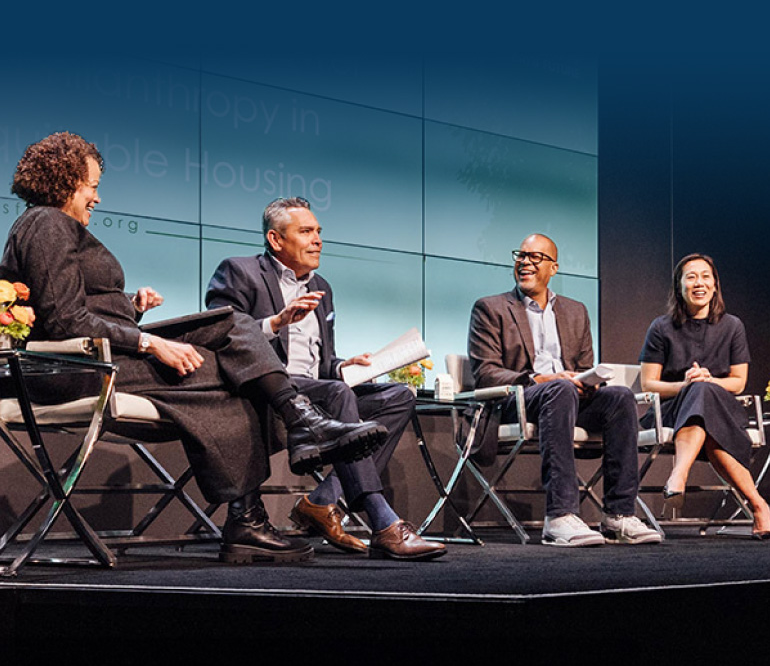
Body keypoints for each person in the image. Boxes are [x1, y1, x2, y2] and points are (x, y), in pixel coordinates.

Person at [0, 132, 388, 565]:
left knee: (232, 324)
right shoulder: (47, 223)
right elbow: (64, 321)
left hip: (102, 358)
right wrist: (150, 342)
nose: (97, 197)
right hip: (72, 371)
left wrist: (129, 308)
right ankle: (252, 510)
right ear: (67, 181)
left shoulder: (49, 227)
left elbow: (72, 305)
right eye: (91, 185)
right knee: (235, 371)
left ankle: (291, 435)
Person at [206, 196, 447, 561]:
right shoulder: (240, 271)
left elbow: (321, 362)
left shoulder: (322, 285)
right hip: (267, 396)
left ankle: (323, 500)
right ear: (275, 240)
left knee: (399, 396)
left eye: (318, 231)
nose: (317, 239)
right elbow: (219, 334)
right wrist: (276, 323)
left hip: (319, 392)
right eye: (306, 231)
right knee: (336, 395)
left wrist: (342, 366)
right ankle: (382, 523)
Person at [468, 232, 662, 546]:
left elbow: (585, 366)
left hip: (568, 397)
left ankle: (618, 515)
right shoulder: (491, 309)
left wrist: (586, 382)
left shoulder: (576, 311)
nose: (525, 262)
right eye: (521, 255)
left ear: (553, 268)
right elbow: (486, 373)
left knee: (620, 397)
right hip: (517, 398)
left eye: (535, 257)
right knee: (559, 390)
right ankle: (559, 516)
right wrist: (541, 379)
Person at [639, 253, 770, 538]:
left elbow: (738, 382)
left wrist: (708, 381)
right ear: (679, 286)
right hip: (671, 409)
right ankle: (760, 506)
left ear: (714, 285)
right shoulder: (661, 327)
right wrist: (685, 385)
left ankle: (678, 474)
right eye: (691, 276)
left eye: (705, 276)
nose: (699, 283)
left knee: (705, 396)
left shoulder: (732, 326)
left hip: (722, 404)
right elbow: (648, 383)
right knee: (702, 401)